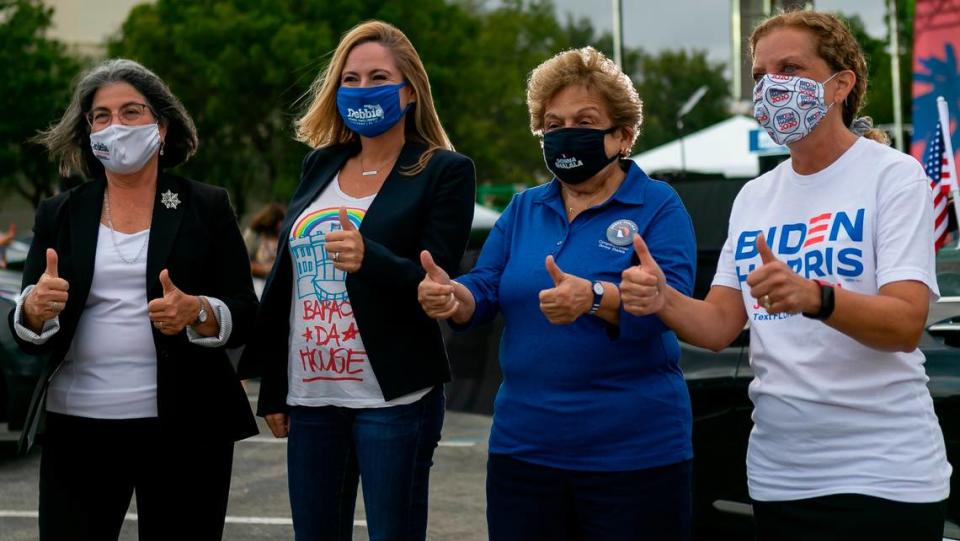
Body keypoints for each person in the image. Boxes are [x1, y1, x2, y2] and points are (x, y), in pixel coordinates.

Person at [619, 11, 951, 541]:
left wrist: (816, 297)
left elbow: (905, 323)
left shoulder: (892, 175)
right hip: (780, 477)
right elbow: (719, 326)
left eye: (790, 67)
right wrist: (662, 298)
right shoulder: (755, 196)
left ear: (841, 84)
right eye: (759, 75)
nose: (771, 85)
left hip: (885, 474)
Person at [418, 46, 696, 540]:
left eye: (584, 121)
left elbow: (671, 306)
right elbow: (486, 285)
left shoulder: (658, 205)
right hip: (524, 450)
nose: (565, 132)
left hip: (633, 454)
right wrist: (456, 296)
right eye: (553, 122)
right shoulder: (525, 208)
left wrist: (595, 297)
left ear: (623, 135)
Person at [238, 20, 476, 541]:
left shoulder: (444, 171)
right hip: (312, 396)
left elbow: (435, 282)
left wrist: (372, 258)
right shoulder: (320, 164)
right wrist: (275, 387)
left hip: (392, 399)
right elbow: (287, 285)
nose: (362, 90)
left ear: (409, 91)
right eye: (351, 78)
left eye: (378, 78)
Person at [12, 58, 258, 541]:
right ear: (87, 132)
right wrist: (34, 312)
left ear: (161, 127)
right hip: (77, 425)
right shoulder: (61, 212)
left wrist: (199, 312)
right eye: (101, 116)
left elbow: (246, 311)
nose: (115, 126)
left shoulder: (205, 205)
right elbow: (27, 320)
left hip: (185, 427)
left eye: (130, 112)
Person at [243, 202, 285, 295]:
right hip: (257, 283)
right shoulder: (254, 235)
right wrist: (265, 268)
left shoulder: (281, 237)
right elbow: (242, 263)